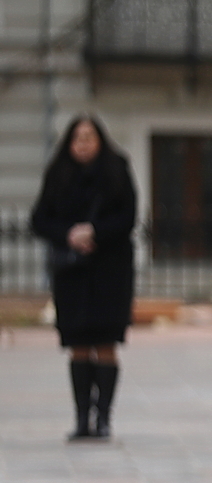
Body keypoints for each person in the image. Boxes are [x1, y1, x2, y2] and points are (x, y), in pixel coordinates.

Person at [31, 114, 138, 441]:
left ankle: (103, 417)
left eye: (89, 137)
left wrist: (95, 232)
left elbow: (128, 217)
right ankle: (81, 418)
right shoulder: (58, 174)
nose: (83, 144)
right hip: (72, 274)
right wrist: (69, 234)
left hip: (110, 272)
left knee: (105, 341)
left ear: (100, 141)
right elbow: (39, 219)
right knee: (77, 342)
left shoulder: (116, 170)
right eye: (78, 138)